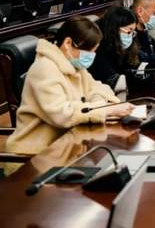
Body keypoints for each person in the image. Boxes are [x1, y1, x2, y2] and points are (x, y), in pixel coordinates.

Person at [6, 16, 134, 158]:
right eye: (89, 51)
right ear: (68, 43)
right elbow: (61, 114)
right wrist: (105, 109)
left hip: (68, 144)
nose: (92, 56)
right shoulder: (44, 69)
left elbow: (99, 88)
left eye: (95, 51)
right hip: (37, 153)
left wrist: (98, 104)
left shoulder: (74, 65)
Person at [90, 6, 155, 95]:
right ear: (114, 30)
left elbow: (136, 66)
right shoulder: (97, 49)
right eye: (129, 31)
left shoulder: (119, 45)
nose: (130, 36)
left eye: (133, 32)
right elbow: (114, 82)